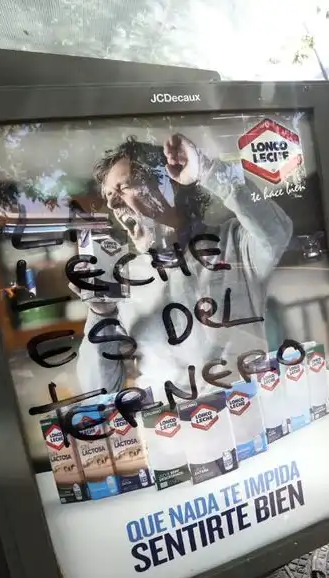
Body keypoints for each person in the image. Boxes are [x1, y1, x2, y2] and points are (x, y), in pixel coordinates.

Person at [72, 133, 293, 397]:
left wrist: (208, 169)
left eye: (124, 186)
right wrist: (101, 315)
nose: (112, 203)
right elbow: (99, 391)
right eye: (109, 196)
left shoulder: (234, 244)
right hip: (168, 430)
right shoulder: (123, 280)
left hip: (243, 416)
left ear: (169, 185)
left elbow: (277, 231)